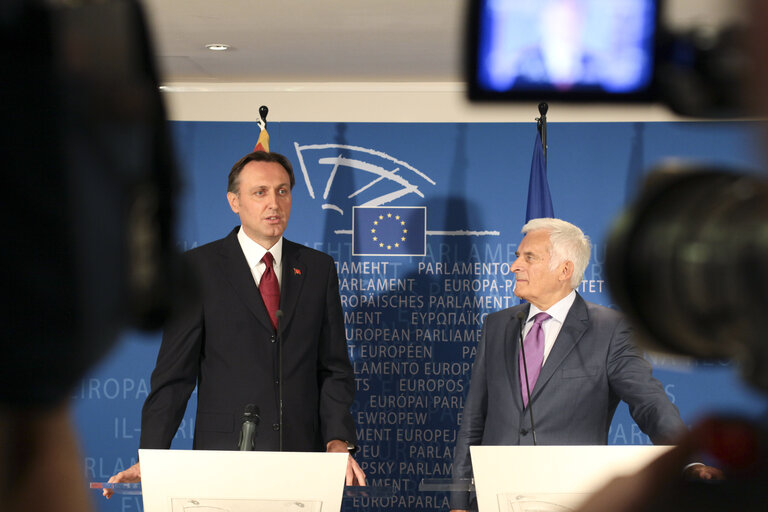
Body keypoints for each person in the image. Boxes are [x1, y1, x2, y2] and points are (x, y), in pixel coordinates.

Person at [106, 151, 365, 496]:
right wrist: (152, 456)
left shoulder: (318, 269)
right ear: (234, 201)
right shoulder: (199, 270)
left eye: (283, 191)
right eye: (260, 192)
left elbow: (333, 368)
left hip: (303, 463)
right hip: (224, 463)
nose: (274, 203)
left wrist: (337, 440)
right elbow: (173, 378)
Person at [450, 218, 717, 512]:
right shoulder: (497, 326)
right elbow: (473, 420)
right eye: (517, 257)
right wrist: (460, 501)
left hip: (571, 500)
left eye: (529, 258)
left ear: (564, 270)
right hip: (491, 499)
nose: (514, 267)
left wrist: (687, 460)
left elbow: (650, 403)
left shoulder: (609, 329)